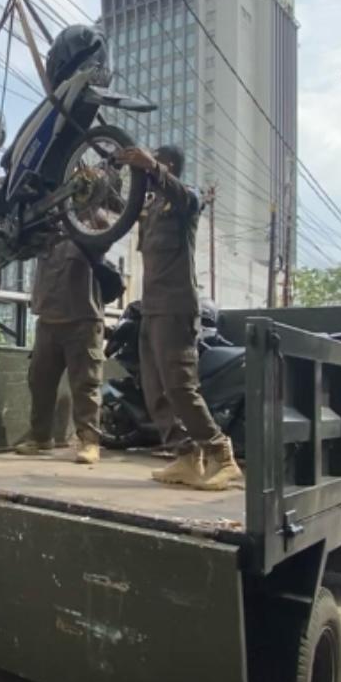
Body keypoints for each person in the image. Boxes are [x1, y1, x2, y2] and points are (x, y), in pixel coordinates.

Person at [117, 145, 243, 491]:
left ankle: (221, 454)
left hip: (177, 307)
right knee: (154, 387)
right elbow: (118, 213)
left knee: (180, 387)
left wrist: (152, 166)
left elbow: (184, 194)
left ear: (168, 165)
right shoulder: (153, 209)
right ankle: (185, 456)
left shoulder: (185, 200)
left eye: (156, 161)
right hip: (152, 308)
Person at [16, 236, 105, 464]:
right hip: (48, 320)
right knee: (39, 380)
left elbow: (107, 230)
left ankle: (89, 441)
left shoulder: (87, 225)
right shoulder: (44, 230)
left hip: (82, 320)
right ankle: (40, 437)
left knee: (85, 384)